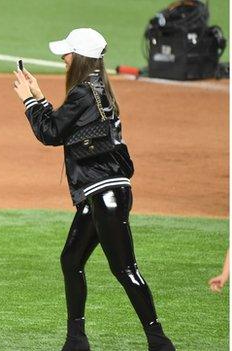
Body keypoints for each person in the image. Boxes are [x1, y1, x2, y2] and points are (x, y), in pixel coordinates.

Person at [12, 28, 175, 351]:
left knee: (125, 269)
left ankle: (160, 342)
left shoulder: (84, 93)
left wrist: (29, 101)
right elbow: (61, 128)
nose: (63, 57)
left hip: (106, 193)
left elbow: (50, 133)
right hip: (100, 192)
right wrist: (41, 98)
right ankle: (76, 340)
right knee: (71, 259)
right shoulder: (96, 89)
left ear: (81, 58)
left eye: (68, 52)